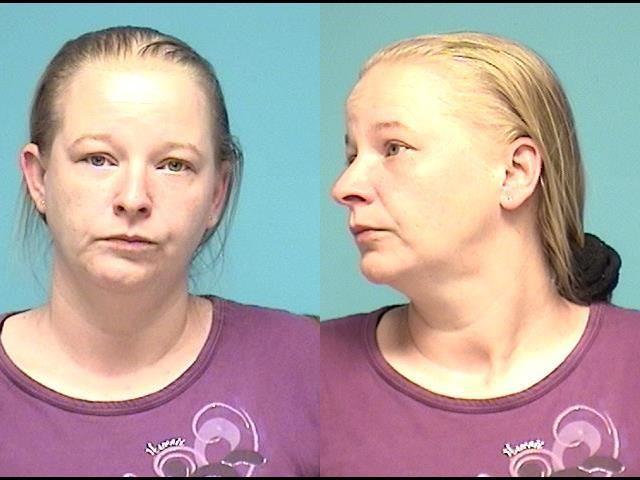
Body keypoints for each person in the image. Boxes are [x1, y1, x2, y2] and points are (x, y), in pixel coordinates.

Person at [0, 26, 318, 476]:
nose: (133, 198)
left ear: (217, 193)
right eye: (98, 159)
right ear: (38, 178)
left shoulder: (308, 365)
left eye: (173, 165)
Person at [320, 31, 639, 476]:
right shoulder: (307, 373)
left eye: (394, 148)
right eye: (352, 156)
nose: (345, 187)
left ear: (514, 172)